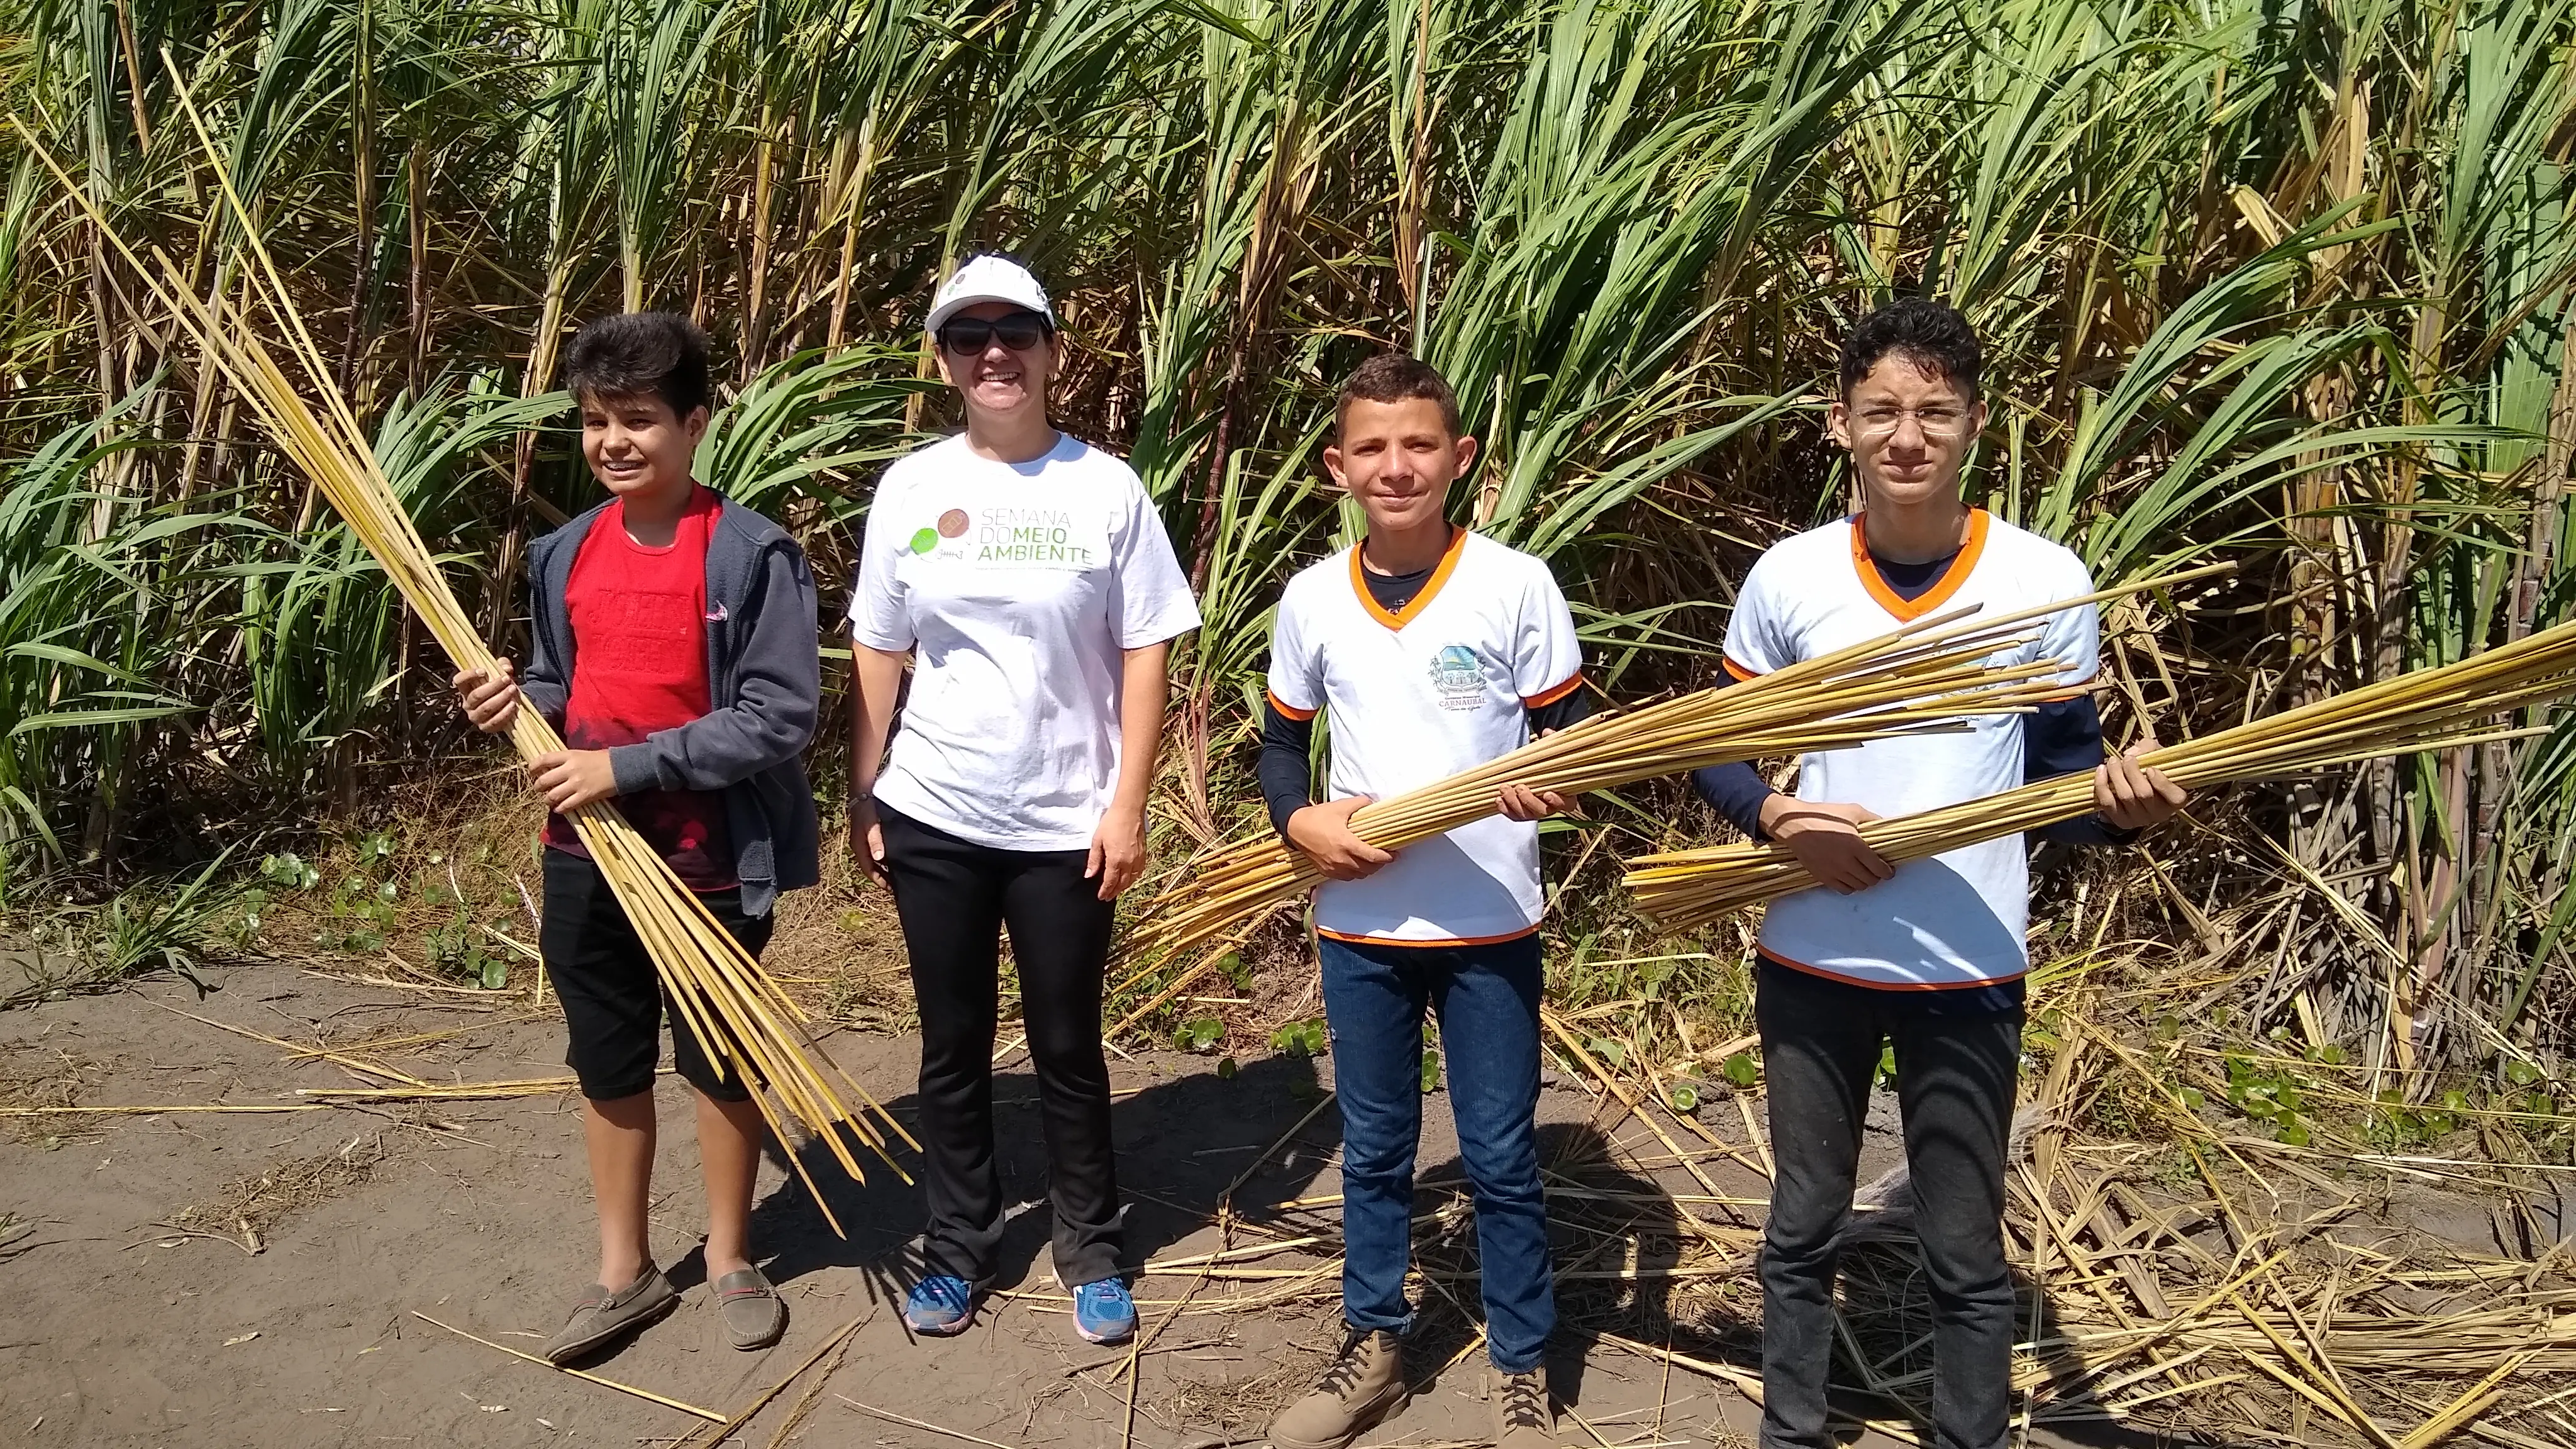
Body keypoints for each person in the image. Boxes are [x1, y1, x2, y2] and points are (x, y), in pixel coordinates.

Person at [1690, 298, 2187, 1449]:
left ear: (1974, 423)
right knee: (1802, 1224)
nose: (1906, 437)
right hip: (1814, 955)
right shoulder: (1792, 576)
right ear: (1840, 423)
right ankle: (1793, 1431)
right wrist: (1779, 817)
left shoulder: (2041, 581)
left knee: (1963, 1243)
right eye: (1881, 412)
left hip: (1968, 966)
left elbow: (2062, 785)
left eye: (1935, 412)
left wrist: (2124, 816)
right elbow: (1713, 746)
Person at [452, 312, 823, 1363]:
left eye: (641, 420)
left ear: (695, 424)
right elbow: (555, 684)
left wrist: (624, 767)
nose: (615, 441)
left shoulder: (750, 556)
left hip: (708, 863)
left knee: (720, 1058)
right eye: (597, 421)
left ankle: (731, 1254)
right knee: (606, 1059)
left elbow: (777, 716)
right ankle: (625, 1270)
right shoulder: (564, 552)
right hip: (584, 853)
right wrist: (511, 703)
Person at [846, 253, 1201, 1346]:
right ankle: (959, 1243)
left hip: (1065, 820)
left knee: (1066, 1040)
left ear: (1051, 351)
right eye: (970, 336)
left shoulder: (1106, 488)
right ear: (945, 360)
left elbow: (1146, 650)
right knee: (950, 1043)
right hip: (935, 808)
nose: (994, 353)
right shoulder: (912, 488)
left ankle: (1090, 1244)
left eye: (1016, 333)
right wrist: (865, 789)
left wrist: (1127, 804)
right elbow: (879, 646)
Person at [1258, 353, 1589, 1449]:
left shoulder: (1514, 584)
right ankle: (1375, 1348)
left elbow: (1570, 737)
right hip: (1361, 924)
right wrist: (1299, 822)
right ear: (1337, 466)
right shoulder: (1313, 598)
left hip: (1490, 924)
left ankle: (1521, 1359)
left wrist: (1555, 777)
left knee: (1498, 1154)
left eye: (1418, 444)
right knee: (1375, 1149)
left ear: (1461, 458)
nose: (1395, 467)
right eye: (1371, 447)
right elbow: (1281, 747)